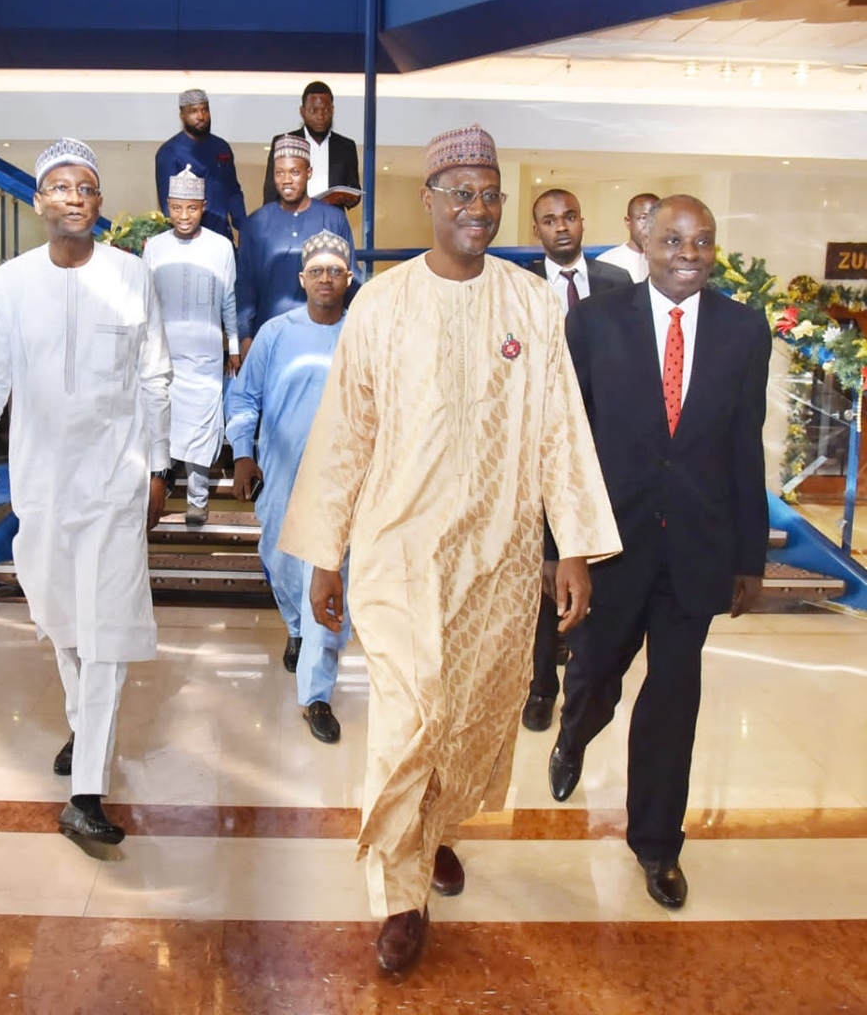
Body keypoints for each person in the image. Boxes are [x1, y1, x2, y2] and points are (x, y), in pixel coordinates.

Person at [277, 125, 621, 974]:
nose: (477, 206)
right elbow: (346, 434)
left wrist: (571, 546)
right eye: (460, 192)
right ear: (427, 201)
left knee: (466, 719)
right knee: (405, 719)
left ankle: (432, 831)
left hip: (498, 560)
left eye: (489, 192)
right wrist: (327, 552)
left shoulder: (531, 302)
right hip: (397, 553)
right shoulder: (381, 303)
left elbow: (558, 428)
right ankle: (398, 895)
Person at [548, 194, 771, 911]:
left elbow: (745, 447)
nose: (689, 254)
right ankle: (573, 732)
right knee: (596, 674)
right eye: (674, 239)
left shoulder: (744, 331)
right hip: (611, 545)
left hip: (698, 550)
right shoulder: (594, 323)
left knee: (673, 698)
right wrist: (562, 547)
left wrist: (749, 557)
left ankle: (657, 844)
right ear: (644, 242)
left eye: (703, 241)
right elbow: (567, 444)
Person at [0, 138, 173, 847]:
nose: (73, 196)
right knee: (60, 617)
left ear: (99, 203)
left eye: (85, 187)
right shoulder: (13, 284)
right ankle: (83, 728)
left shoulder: (133, 275)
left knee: (104, 629)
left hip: (114, 481)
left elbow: (156, 376)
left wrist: (159, 467)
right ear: (39, 201)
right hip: (43, 484)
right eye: (59, 186)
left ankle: (86, 792)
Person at [225, 231, 354, 744]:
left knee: (326, 576)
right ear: (302, 279)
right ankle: (297, 627)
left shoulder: (361, 333)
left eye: (335, 271)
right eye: (316, 271)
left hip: (341, 482)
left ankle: (315, 694)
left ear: (349, 278)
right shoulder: (276, 333)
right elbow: (244, 398)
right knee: (281, 564)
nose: (326, 279)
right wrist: (242, 454)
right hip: (280, 474)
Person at [523, 188, 632, 733]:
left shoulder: (619, 287)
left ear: (583, 221)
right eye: (549, 220)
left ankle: (582, 697)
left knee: (594, 574)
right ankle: (541, 687)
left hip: (605, 453)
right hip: (542, 449)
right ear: (536, 229)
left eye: (569, 216)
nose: (561, 227)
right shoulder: (522, 290)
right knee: (547, 572)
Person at [144, 166, 240, 527]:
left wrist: (233, 345)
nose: (184, 217)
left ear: (203, 206)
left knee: (201, 425)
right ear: (168, 206)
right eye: (177, 208)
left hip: (204, 357)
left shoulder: (220, 247)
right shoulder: (154, 248)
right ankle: (162, 487)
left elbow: (229, 299)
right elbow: (144, 302)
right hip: (163, 355)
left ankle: (197, 501)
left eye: (192, 208)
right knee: (164, 423)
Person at [237, 134, 357, 360]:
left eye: (294, 172)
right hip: (269, 341)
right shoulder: (255, 224)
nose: (286, 180)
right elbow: (245, 285)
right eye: (279, 172)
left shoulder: (332, 219)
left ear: (308, 173)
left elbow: (351, 280)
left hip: (325, 340)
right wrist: (245, 338)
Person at [155, 89, 247, 243]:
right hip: (188, 240)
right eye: (193, 111)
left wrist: (244, 227)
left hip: (223, 237)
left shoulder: (222, 147)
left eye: (205, 110)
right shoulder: (169, 152)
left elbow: (233, 191)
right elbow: (168, 206)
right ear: (182, 115)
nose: (201, 116)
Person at [261, 81, 361, 210]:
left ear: (333, 110)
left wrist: (348, 198)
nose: (321, 116)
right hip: (294, 221)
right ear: (302, 112)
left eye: (326, 110)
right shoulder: (286, 142)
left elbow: (354, 192)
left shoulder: (346, 147)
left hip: (331, 222)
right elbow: (271, 193)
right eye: (314, 111)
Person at [595, 192, 660, 283]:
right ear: (628, 222)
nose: (650, 225)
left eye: (656, 218)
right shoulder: (606, 262)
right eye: (643, 218)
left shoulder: (667, 260)